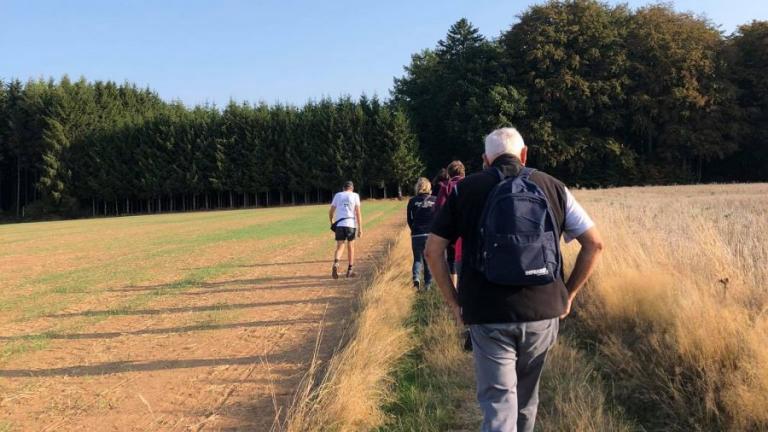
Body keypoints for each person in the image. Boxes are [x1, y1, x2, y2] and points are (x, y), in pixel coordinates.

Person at [425, 127, 604, 432]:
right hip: (544, 310)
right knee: (526, 399)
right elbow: (595, 244)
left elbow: (432, 252)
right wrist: (568, 295)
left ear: (485, 160)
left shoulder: (463, 190)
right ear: (524, 154)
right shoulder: (554, 186)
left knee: (499, 405)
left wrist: (455, 302)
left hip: (487, 312)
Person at [435, 160, 466, 287]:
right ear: (463, 173)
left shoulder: (445, 187)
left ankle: (454, 289)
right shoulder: (471, 184)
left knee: (452, 259)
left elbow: (439, 209)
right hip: (469, 228)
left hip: (452, 231)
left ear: (449, 173)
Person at [406, 177, 437, 291]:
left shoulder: (412, 201)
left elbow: (409, 219)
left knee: (417, 259)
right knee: (428, 259)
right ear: (429, 187)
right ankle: (428, 285)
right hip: (431, 235)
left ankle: (416, 278)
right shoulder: (435, 200)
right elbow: (438, 217)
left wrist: (414, 230)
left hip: (416, 234)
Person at [329, 180, 363, 279]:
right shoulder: (355, 196)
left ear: (343, 188)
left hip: (339, 225)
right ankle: (350, 270)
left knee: (340, 247)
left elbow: (331, 212)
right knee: (351, 247)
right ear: (352, 188)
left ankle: (336, 263)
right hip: (350, 224)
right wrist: (360, 228)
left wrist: (332, 222)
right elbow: (358, 213)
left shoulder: (337, 195)